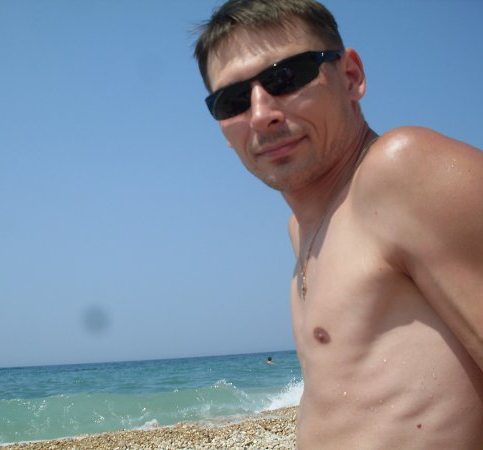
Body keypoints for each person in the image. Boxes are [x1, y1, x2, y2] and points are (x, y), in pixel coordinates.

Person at [194, 1, 483, 448]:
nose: (261, 113)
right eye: (232, 101)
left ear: (350, 76)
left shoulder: (404, 171)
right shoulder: (302, 230)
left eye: (286, 78)